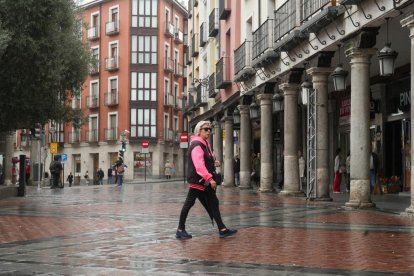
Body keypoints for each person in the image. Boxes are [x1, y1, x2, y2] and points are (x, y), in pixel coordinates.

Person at [176, 120, 237, 240]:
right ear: (198, 131)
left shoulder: (205, 144)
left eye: (209, 129)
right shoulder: (197, 145)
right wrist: (210, 178)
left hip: (203, 180)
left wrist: (214, 163)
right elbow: (199, 166)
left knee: (213, 202)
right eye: (206, 129)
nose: (209, 132)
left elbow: (206, 160)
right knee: (189, 203)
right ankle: (180, 229)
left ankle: (222, 229)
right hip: (199, 180)